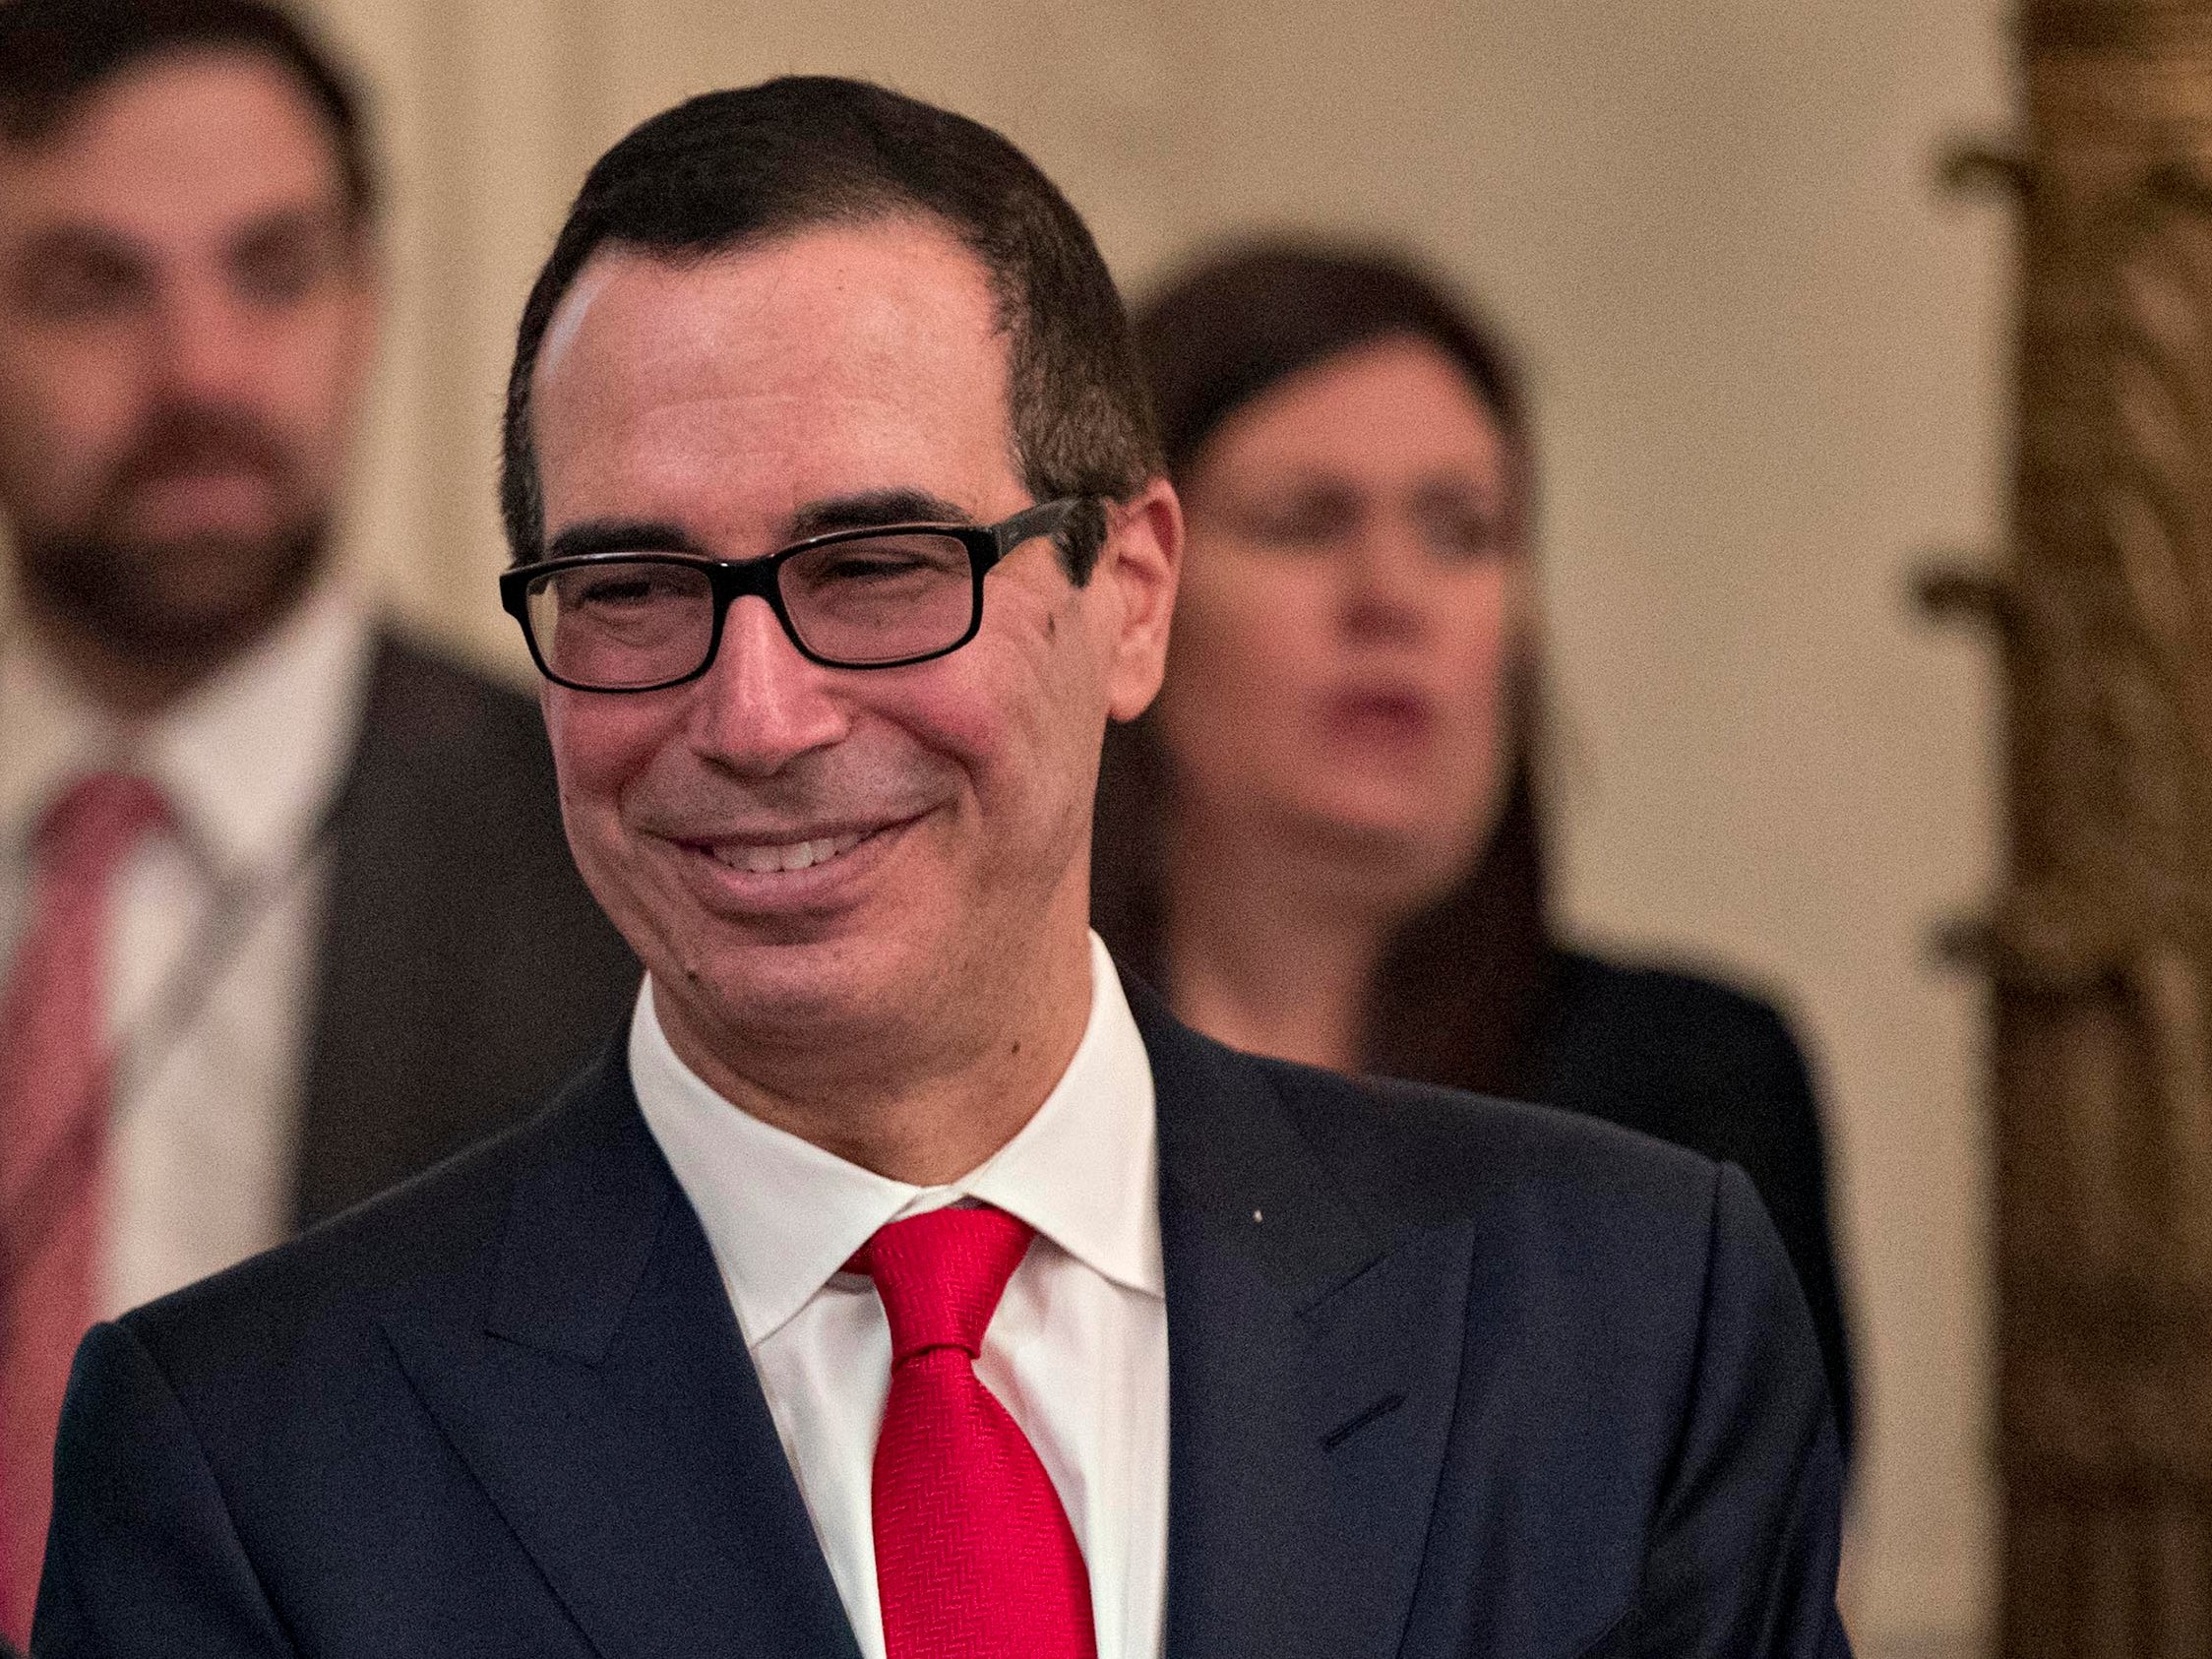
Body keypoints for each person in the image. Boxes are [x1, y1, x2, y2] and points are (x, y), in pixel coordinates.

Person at [33, 76, 1850, 1657]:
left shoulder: (1619, 1324)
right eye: (635, 590)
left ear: (1130, 596)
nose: (756, 715)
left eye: (879, 568)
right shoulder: (248, 1458)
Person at [0, 0, 637, 1632]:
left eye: (273, 272)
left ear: (367, 302)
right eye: (91, 288)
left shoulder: (614, 852)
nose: (201, 373)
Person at [1092, 242, 1858, 1458]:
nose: (1392, 594)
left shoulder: (1681, 1098)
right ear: (1132, 595)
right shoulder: (985, 1091)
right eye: (1303, 523)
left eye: (1461, 532)